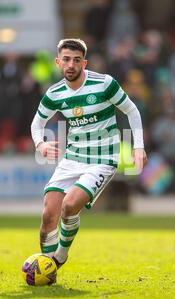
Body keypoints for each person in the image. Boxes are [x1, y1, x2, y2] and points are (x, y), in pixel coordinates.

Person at [30, 39, 147, 268]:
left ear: (84, 63)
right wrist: (40, 144)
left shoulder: (104, 84)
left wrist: (139, 146)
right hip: (72, 158)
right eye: (66, 60)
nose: (71, 65)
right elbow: (37, 123)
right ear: (58, 62)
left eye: (76, 60)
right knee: (48, 216)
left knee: (69, 206)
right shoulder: (54, 93)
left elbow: (131, 110)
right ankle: (47, 266)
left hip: (103, 159)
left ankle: (59, 258)